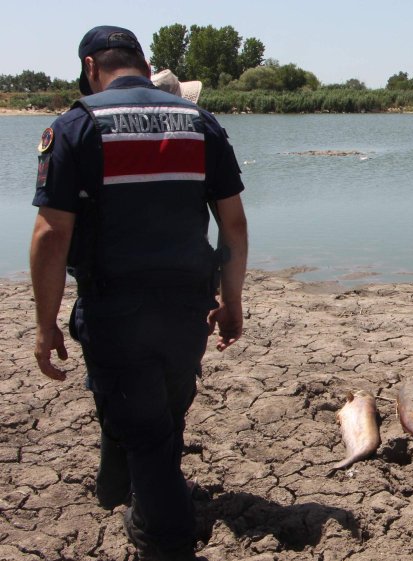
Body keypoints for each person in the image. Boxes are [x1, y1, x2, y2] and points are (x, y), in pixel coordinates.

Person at [30, 25, 248, 561]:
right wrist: (232, 300)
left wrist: (45, 322)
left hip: (114, 309)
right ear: (146, 67)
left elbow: (51, 235)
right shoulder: (201, 124)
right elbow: (234, 224)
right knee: (161, 411)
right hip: (185, 307)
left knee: (146, 428)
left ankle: (164, 541)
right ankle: (113, 489)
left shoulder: (76, 126)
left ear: (90, 66)